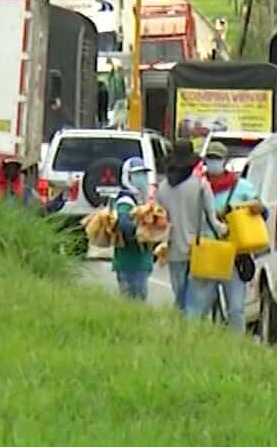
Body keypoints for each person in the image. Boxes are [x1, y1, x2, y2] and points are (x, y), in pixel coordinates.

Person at [155, 141, 222, 318]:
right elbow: (213, 220)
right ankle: (191, 335)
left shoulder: (162, 189)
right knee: (196, 301)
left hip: (173, 249)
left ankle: (179, 333)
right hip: (198, 248)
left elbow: (159, 220)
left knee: (179, 297)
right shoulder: (201, 184)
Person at [203, 142, 261, 332]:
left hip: (235, 254)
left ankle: (236, 347)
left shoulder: (242, 187)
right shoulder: (198, 187)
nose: (213, 162)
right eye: (210, 158)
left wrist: (252, 207)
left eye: (217, 158)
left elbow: (262, 211)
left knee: (236, 308)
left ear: (225, 161)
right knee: (203, 308)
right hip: (207, 251)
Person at [111, 157, 159, 302]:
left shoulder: (143, 201)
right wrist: (146, 229)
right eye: (137, 175)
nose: (142, 179)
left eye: (144, 174)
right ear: (127, 177)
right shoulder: (125, 201)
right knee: (132, 304)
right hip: (129, 262)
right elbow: (124, 225)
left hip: (142, 262)